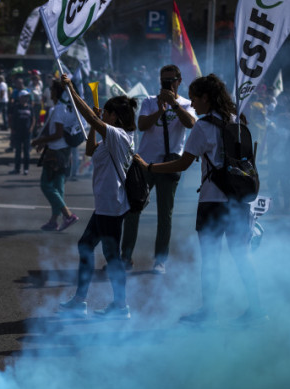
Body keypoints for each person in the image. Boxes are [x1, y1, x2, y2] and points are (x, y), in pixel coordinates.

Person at [133, 74, 263, 322]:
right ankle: (257, 310)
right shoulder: (238, 121)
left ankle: (208, 313)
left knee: (211, 260)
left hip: (213, 202)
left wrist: (150, 168)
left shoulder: (203, 127)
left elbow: (182, 164)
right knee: (242, 258)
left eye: (194, 99)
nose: (192, 104)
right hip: (239, 201)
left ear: (206, 98)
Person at [57, 74, 136, 319]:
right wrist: (94, 125)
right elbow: (90, 150)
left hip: (111, 206)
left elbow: (91, 115)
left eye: (108, 113)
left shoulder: (120, 136)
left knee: (111, 256)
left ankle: (121, 306)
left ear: (116, 117)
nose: (104, 116)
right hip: (105, 205)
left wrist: (71, 87)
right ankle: (81, 300)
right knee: (86, 246)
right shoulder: (110, 138)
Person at [120, 64, 196, 274]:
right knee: (133, 209)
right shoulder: (149, 101)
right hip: (145, 163)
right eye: (164, 80)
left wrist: (174, 106)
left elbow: (191, 124)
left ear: (179, 81)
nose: (168, 84)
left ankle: (160, 260)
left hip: (170, 164)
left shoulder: (186, 104)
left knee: (165, 215)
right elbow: (142, 125)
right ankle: (125, 257)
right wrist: (160, 110)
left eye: (171, 80)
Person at [30, 80, 79, 231]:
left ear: (57, 92)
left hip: (56, 152)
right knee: (58, 187)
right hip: (65, 151)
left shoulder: (59, 109)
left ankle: (68, 215)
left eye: (52, 89)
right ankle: (53, 221)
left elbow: (57, 134)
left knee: (46, 185)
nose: (50, 92)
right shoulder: (69, 108)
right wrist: (43, 142)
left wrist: (40, 140)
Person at [9, 90, 34, 175]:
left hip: (27, 133)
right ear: (20, 98)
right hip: (18, 132)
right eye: (24, 97)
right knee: (18, 151)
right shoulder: (16, 107)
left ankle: (26, 169)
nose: (26, 99)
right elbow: (11, 118)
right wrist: (12, 128)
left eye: (27, 97)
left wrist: (31, 128)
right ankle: (17, 168)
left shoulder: (30, 107)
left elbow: (33, 119)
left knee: (26, 152)